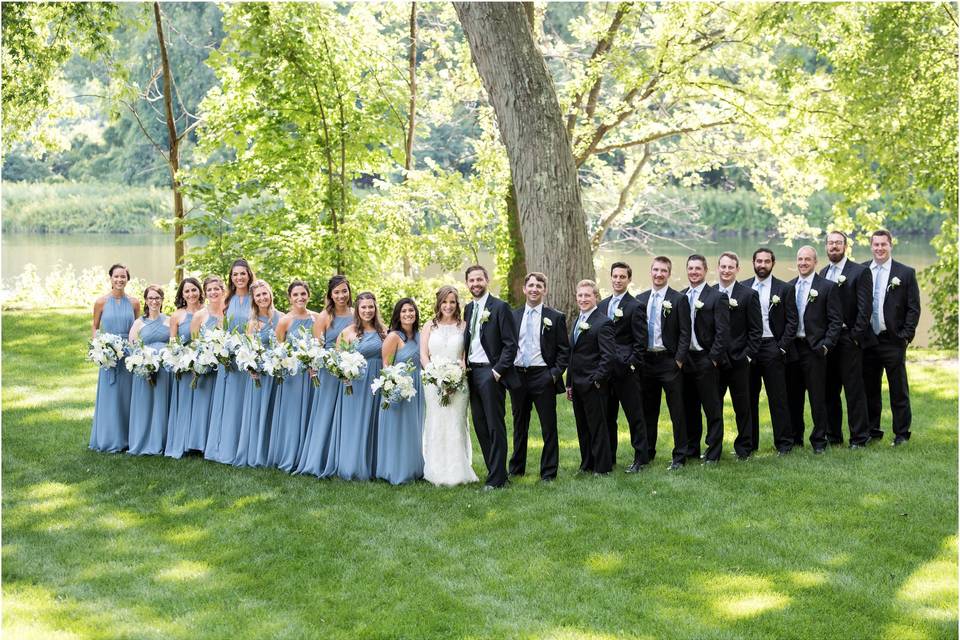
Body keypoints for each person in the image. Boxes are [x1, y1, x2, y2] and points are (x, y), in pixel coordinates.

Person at [507, 272, 570, 482]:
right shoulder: (513, 316)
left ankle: (549, 472)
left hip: (542, 376)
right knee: (519, 425)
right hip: (518, 376)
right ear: (524, 289)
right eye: (531, 285)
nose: (534, 289)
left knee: (548, 426)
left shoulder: (555, 317)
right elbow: (506, 347)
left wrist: (552, 375)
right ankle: (516, 468)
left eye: (539, 285)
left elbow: (564, 351)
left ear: (545, 290)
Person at [862, 229, 921, 446]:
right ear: (871, 246)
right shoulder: (862, 270)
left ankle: (902, 434)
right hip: (868, 340)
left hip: (893, 340)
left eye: (883, 244)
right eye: (875, 245)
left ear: (890, 245)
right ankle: (872, 430)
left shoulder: (905, 273)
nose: (879, 248)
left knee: (898, 389)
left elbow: (913, 308)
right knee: (869, 389)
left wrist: (906, 336)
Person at [463, 265, 519, 490]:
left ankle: (496, 479)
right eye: (471, 280)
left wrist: (497, 371)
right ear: (467, 283)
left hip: (490, 372)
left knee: (495, 425)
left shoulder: (500, 307)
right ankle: (497, 472)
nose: (475, 284)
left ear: (487, 280)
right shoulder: (467, 309)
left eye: (479, 279)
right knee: (480, 424)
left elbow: (510, 344)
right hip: (470, 372)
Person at [420, 286, 479, 486]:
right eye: (445, 302)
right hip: (432, 382)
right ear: (439, 303)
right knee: (436, 422)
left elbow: (464, 358)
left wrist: (455, 378)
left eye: (452, 302)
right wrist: (436, 377)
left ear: (457, 304)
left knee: (456, 423)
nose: (448, 306)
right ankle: (435, 470)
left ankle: (458, 470)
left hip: (458, 383)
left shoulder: (464, 326)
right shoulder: (429, 325)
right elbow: (423, 355)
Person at [786, 246, 843, 453]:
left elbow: (836, 321)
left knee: (818, 397)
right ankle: (795, 438)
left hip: (815, 350)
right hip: (793, 349)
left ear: (815, 262)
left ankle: (819, 440)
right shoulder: (789, 286)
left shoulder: (827, 287)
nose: (803, 263)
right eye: (800, 259)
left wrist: (826, 345)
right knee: (793, 396)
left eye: (807, 259)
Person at [296, 275, 354, 478]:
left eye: (344, 291)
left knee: (347, 415)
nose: (341, 295)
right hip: (329, 372)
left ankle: (344, 459)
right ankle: (319, 459)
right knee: (326, 414)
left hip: (350, 370)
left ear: (349, 292)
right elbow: (315, 346)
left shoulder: (356, 314)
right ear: (330, 295)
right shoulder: (324, 317)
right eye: (336, 292)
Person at [741, 248, 798, 455]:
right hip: (750, 349)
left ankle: (784, 444)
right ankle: (749, 444)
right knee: (748, 398)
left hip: (772, 347)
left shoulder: (784, 289)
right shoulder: (743, 287)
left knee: (778, 398)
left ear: (773, 263)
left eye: (766, 261)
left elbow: (793, 321)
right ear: (753, 263)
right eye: (759, 261)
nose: (762, 265)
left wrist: (781, 347)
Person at [635, 257, 690, 470]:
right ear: (650, 272)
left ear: (669, 273)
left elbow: (686, 332)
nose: (659, 274)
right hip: (646, 363)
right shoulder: (640, 299)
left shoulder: (678, 299)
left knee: (677, 411)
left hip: (669, 362)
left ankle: (679, 456)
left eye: (663, 271)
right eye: (656, 270)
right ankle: (646, 453)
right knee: (648, 411)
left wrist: (679, 360)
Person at [821, 231, 873, 449]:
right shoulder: (823, 272)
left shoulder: (860, 272)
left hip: (848, 338)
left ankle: (859, 437)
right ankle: (834, 435)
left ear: (845, 246)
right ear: (826, 246)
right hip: (828, 340)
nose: (834, 246)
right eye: (831, 243)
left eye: (838, 243)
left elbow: (865, 308)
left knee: (853, 389)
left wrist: (854, 337)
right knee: (829, 389)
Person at [596, 262, 649, 472]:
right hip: (605, 372)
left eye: (622, 277)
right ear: (611, 278)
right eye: (615, 276)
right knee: (608, 417)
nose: (618, 280)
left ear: (628, 279)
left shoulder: (635, 306)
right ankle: (609, 458)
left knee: (634, 416)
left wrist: (631, 364)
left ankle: (640, 458)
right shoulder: (602, 306)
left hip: (625, 371)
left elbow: (641, 342)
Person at [205, 259, 255, 464]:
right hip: (230, 360)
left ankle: (246, 448)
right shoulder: (227, 299)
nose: (239, 277)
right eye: (235, 274)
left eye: (242, 273)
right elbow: (220, 326)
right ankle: (225, 448)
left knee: (246, 403)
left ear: (249, 275)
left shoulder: (256, 297)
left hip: (249, 357)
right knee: (230, 403)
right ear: (231, 278)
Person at [332, 291, 385, 481]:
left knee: (375, 422)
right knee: (355, 423)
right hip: (355, 384)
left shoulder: (383, 331)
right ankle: (352, 466)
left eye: (371, 306)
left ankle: (373, 466)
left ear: (375, 308)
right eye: (363, 307)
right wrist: (343, 375)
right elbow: (337, 360)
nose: (368, 310)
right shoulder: (348, 332)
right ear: (358, 309)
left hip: (376, 383)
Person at [681, 254, 729, 464]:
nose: (693, 272)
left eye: (697, 269)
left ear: (705, 270)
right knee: (689, 407)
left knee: (712, 409)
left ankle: (713, 453)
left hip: (706, 359)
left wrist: (713, 359)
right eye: (690, 268)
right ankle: (692, 449)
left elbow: (723, 332)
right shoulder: (681, 296)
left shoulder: (716, 297)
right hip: (685, 360)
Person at [714, 252, 762, 460]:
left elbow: (756, 330)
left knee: (743, 406)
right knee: (713, 406)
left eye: (730, 267)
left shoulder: (748, 295)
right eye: (723, 267)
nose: (726, 271)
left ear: (737, 269)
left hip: (739, 361)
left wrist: (748, 356)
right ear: (718, 268)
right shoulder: (710, 294)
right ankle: (714, 448)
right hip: (715, 362)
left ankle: (744, 447)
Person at [566, 279, 616, 475]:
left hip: (594, 385)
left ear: (596, 297)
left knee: (598, 427)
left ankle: (602, 467)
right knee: (583, 427)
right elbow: (573, 354)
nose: (583, 299)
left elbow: (608, 357)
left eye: (587, 295)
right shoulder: (578, 320)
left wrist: (596, 380)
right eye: (580, 295)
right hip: (577, 384)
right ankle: (587, 463)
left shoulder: (603, 323)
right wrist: (569, 383)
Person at [89, 264, 140, 453]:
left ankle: (127, 438)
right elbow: (95, 327)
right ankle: (108, 438)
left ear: (128, 279)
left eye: (123, 277)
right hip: (108, 355)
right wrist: (99, 347)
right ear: (110, 278)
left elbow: (137, 327)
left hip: (127, 354)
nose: (120, 280)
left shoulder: (134, 303)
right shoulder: (101, 302)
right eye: (116, 276)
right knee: (110, 396)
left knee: (126, 396)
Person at [267, 280, 316, 472]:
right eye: (295, 295)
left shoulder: (316, 318)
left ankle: (306, 456)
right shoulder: (285, 321)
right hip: (293, 376)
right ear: (290, 298)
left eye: (303, 294)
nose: (300, 298)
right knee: (292, 415)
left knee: (310, 413)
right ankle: (289, 455)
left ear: (308, 295)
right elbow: (278, 350)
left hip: (312, 374)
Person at [375, 298, 425, 485]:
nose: (408, 314)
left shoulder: (420, 336)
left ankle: (414, 468)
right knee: (397, 430)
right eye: (404, 311)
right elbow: (386, 367)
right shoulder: (393, 337)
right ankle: (395, 470)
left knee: (414, 429)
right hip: (397, 388)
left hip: (417, 389)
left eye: (411, 310)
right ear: (398, 315)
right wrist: (394, 387)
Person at [234, 279, 283, 467]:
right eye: (258, 295)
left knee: (275, 412)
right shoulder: (252, 324)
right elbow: (248, 350)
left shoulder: (282, 318)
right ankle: (256, 454)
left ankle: (274, 453)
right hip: (260, 375)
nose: (263, 298)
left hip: (278, 374)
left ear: (270, 294)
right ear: (254, 299)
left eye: (265, 293)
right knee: (258, 412)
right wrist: (251, 368)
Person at [127, 285, 171, 455]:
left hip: (164, 372)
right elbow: (132, 346)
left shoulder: (169, 320)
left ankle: (162, 440)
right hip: (144, 370)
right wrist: (143, 364)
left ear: (162, 300)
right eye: (150, 298)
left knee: (162, 404)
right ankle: (142, 440)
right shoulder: (138, 323)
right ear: (146, 300)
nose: (154, 301)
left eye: (157, 298)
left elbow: (173, 344)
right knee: (144, 405)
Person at [165, 277, 204, 459]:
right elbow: (172, 342)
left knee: (202, 403)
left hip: (205, 364)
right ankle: (184, 442)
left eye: (194, 290)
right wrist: (179, 359)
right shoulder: (177, 316)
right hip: (184, 366)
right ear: (182, 294)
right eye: (187, 291)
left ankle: (201, 443)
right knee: (186, 403)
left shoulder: (207, 312)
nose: (191, 294)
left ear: (199, 291)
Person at [187, 276, 226, 454]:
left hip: (226, 364)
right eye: (209, 290)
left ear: (223, 290)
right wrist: (199, 362)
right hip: (206, 365)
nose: (213, 292)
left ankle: (220, 441)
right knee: (204, 403)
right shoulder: (199, 315)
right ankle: (200, 443)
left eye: (216, 289)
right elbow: (194, 342)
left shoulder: (229, 312)